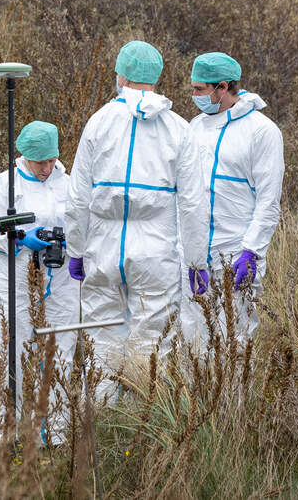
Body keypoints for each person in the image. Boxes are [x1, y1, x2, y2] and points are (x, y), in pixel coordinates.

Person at [64, 40, 188, 394]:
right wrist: (193, 259)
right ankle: (142, 427)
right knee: (151, 341)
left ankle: (102, 422)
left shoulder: (99, 122)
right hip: (156, 251)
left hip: (103, 247)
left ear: (120, 74)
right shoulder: (177, 128)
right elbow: (192, 203)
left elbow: (77, 198)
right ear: (157, 77)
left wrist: (76, 250)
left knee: (102, 340)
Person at [0, 120, 75, 440]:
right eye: (40, 161)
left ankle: (54, 434)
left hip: (60, 281)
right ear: (25, 155)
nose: (47, 167)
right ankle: (0, 433)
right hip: (11, 279)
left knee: (59, 349)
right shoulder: (4, 185)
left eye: (51, 160)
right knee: (4, 349)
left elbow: (84, 223)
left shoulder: (69, 185)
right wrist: (17, 237)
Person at [176, 52, 284, 348]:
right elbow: (185, 197)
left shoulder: (262, 132)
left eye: (200, 89)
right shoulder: (194, 128)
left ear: (222, 87)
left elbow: (268, 201)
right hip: (196, 258)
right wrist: (190, 255)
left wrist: (251, 252)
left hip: (235, 256)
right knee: (193, 342)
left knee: (233, 343)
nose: (193, 95)